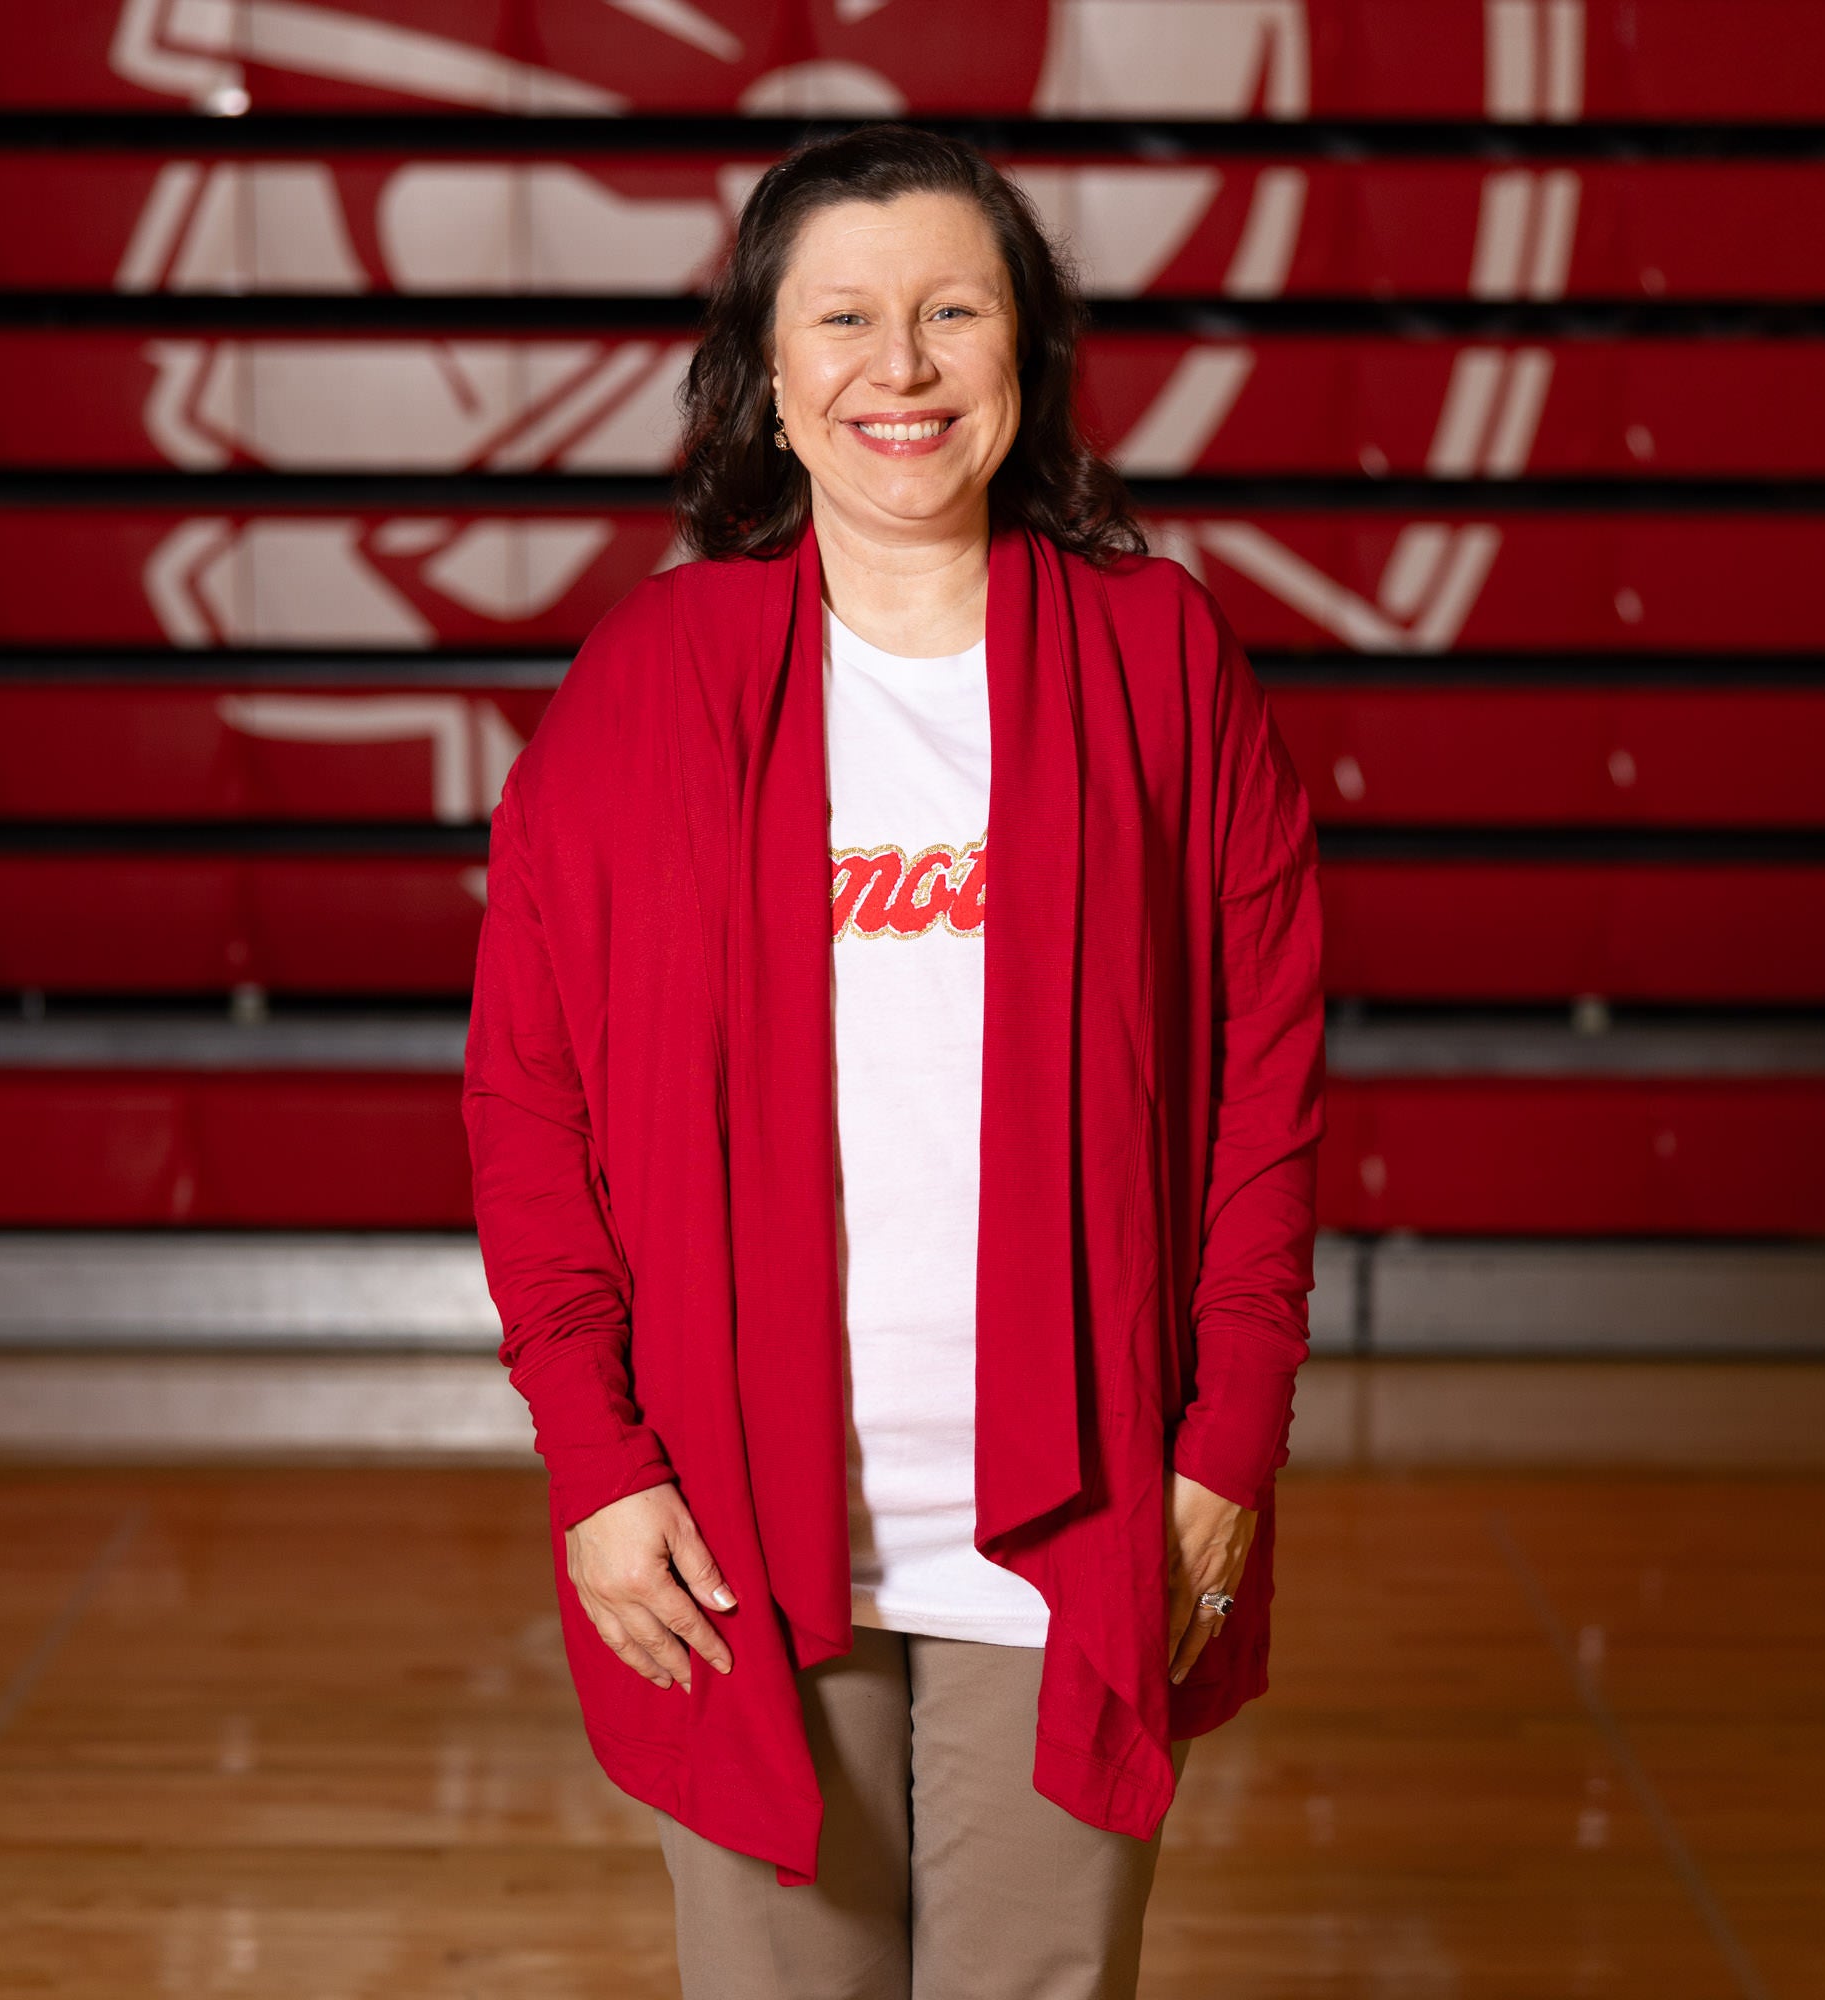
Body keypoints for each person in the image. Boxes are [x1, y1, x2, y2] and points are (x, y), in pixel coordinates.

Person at [463, 122, 1326, 2000]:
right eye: (843, 318)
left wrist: (1230, 1431)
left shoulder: (1160, 661)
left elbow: (1268, 1074)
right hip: (738, 1526)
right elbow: (529, 1105)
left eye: (955, 310)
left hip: (1085, 1508)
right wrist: (597, 1462)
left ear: (1028, 350)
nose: (902, 366)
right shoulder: (648, 681)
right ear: (769, 378)